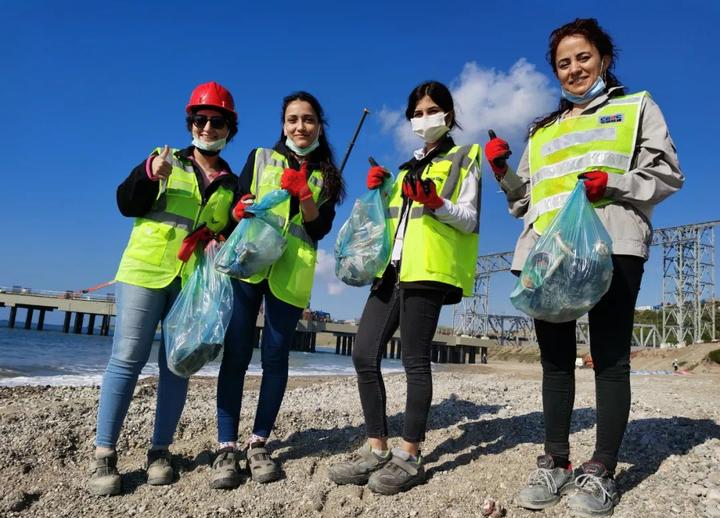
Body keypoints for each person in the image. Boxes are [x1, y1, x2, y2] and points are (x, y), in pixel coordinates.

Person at [485, 18, 683, 517]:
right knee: (555, 359)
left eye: (583, 58)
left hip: (611, 244)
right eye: (563, 63)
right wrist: (504, 172)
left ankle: (602, 468)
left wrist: (613, 183)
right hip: (549, 255)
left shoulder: (634, 107)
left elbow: (667, 174)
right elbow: (524, 201)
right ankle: (555, 458)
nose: (574, 69)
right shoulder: (543, 129)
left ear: (604, 59)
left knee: (610, 356)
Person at [329, 81, 482, 495]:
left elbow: (469, 218)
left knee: (414, 359)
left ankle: (410, 455)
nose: (423, 118)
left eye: (431, 110)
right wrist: (378, 190)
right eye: (416, 112)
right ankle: (376, 446)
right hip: (391, 271)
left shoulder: (465, 157)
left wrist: (436, 203)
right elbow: (387, 223)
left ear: (448, 115)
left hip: (429, 271)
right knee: (363, 353)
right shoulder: (404, 168)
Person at [89, 82, 240, 496]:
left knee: (177, 366)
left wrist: (237, 221)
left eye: (216, 120)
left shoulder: (231, 182)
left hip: (189, 282)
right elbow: (126, 202)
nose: (207, 127)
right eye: (199, 119)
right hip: (144, 271)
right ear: (190, 122)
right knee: (126, 358)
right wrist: (147, 174)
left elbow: (228, 233)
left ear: (230, 127)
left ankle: (160, 452)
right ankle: (105, 454)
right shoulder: (165, 159)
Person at [208, 91, 345, 489]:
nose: (299, 127)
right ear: (282, 125)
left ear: (319, 125)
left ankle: (259, 442)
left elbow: (319, 229)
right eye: (291, 120)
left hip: (291, 273)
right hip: (250, 267)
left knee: (275, 357)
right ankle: (226, 445)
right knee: (235, 354)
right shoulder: (259, 157)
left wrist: (304, 195)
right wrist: (237, 211)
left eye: (307, 119)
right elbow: (239, 204)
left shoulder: (328, 176)